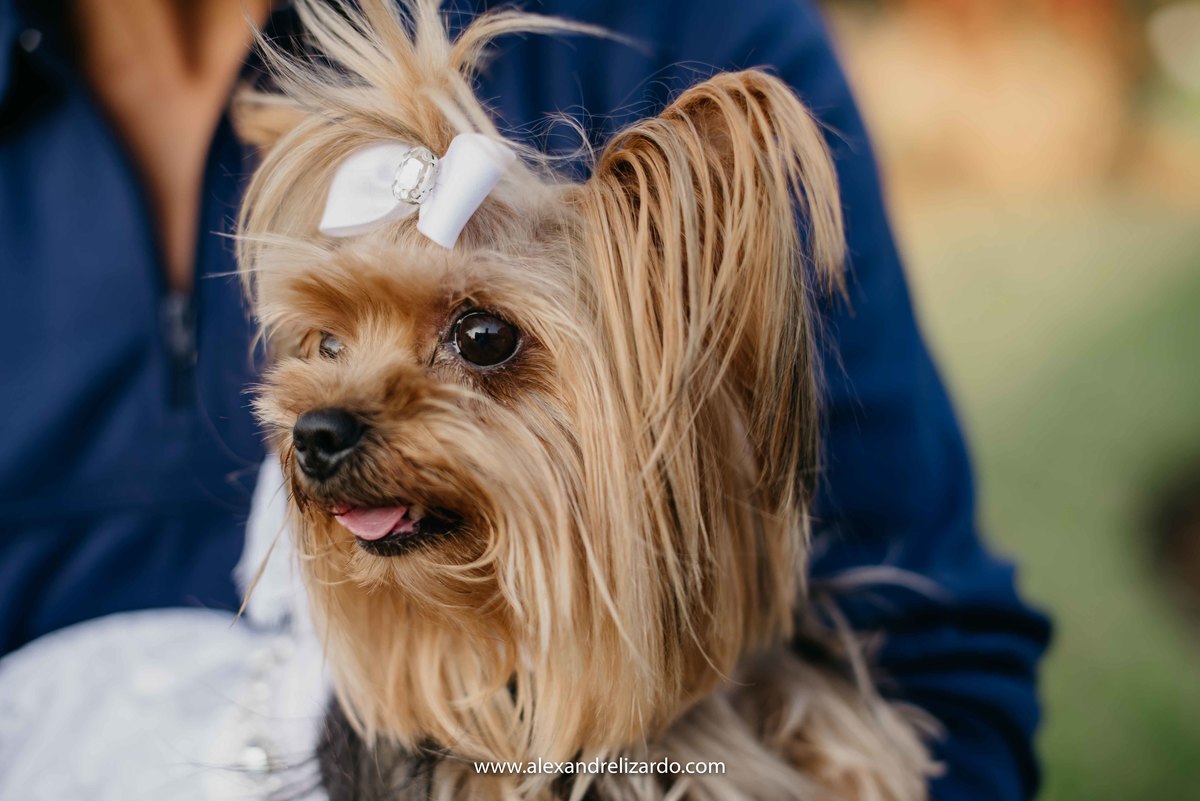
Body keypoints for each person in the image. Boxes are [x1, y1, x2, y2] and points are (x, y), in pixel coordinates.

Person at [0, 0, 1050, 798]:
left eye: (484, 341)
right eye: (321, 342)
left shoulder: (680, 24)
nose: (322, 414)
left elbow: (936, 659)